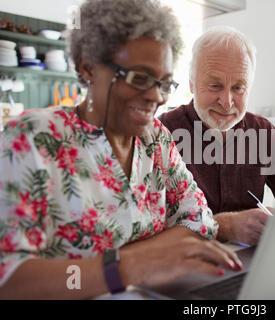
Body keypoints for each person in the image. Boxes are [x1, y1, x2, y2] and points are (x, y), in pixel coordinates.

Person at [0, 0, 242, 300]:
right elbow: (9, 279)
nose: (156, 97)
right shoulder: (34, 140)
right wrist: (125, 268)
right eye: (139, 78)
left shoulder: (156, 140)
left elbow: (199, 221)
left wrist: (125, 265)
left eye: (164, 83)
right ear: (87, 68)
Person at [159, 26, 275, 246]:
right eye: (215, 86)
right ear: (192, 85)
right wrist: (226, 226)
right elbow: (152, 227)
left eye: (238, 88)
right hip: (186, 260)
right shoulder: (162, 133)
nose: (227, 102)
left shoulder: (263, 133)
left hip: (251, 262)